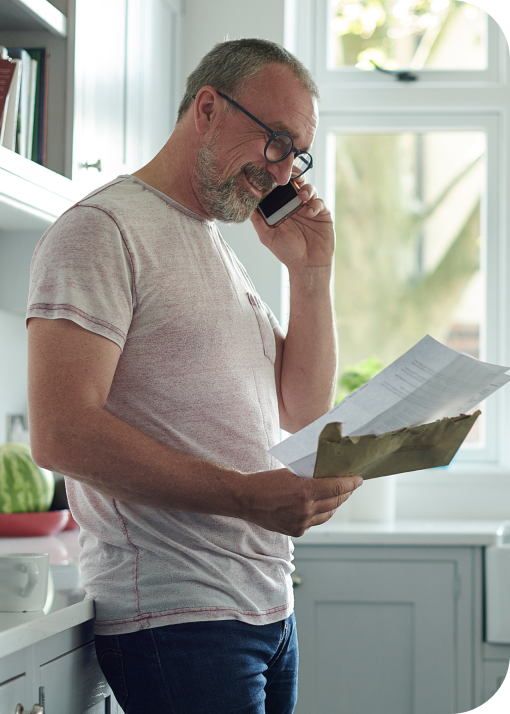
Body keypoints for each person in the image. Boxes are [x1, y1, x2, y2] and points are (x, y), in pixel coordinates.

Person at [26, 39, 362, 714]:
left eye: (297, 155)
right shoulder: (102, 229)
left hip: (267, 608)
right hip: (178, 618)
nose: (282, 172)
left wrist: (311, 273)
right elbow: (61, 434)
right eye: (275, 142)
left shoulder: (214, 245)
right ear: (207, 108)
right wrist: (244, 497)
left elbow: (302, 405)